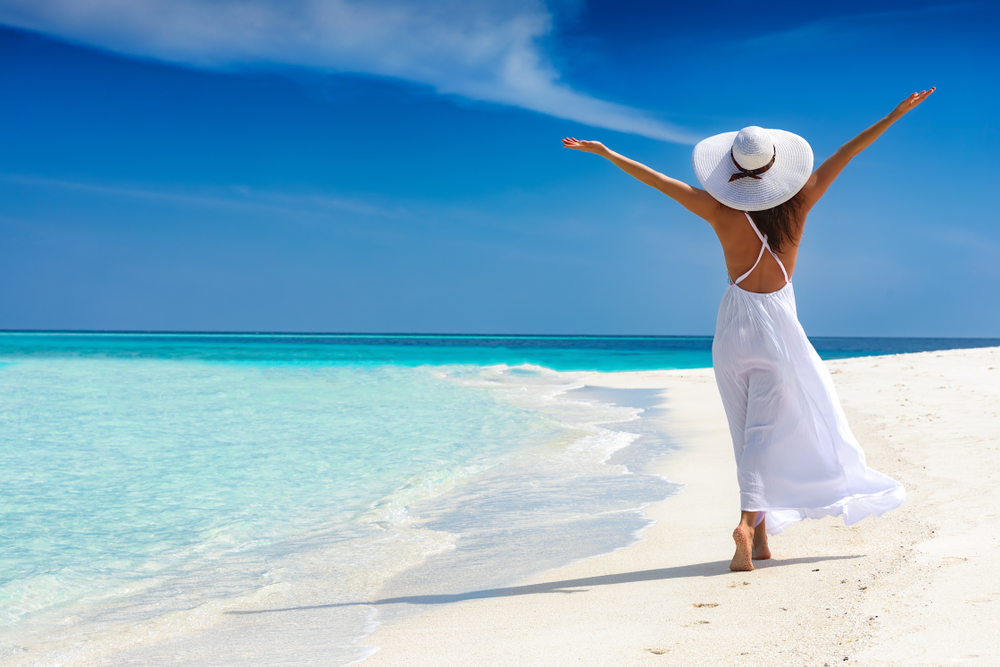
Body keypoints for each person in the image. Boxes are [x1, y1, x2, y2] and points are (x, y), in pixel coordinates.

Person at [563, 88, 935, 571]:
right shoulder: (799, 205)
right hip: (776, 329)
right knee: (765, 431)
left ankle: (759, 540)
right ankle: (746, 522)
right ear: (779, 167)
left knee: (744, 434)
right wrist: (894, 113)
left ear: (734, 171)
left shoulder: (718, 211)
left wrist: (606, 153)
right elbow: (848, 151)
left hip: (733, 329)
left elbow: (657, 181)